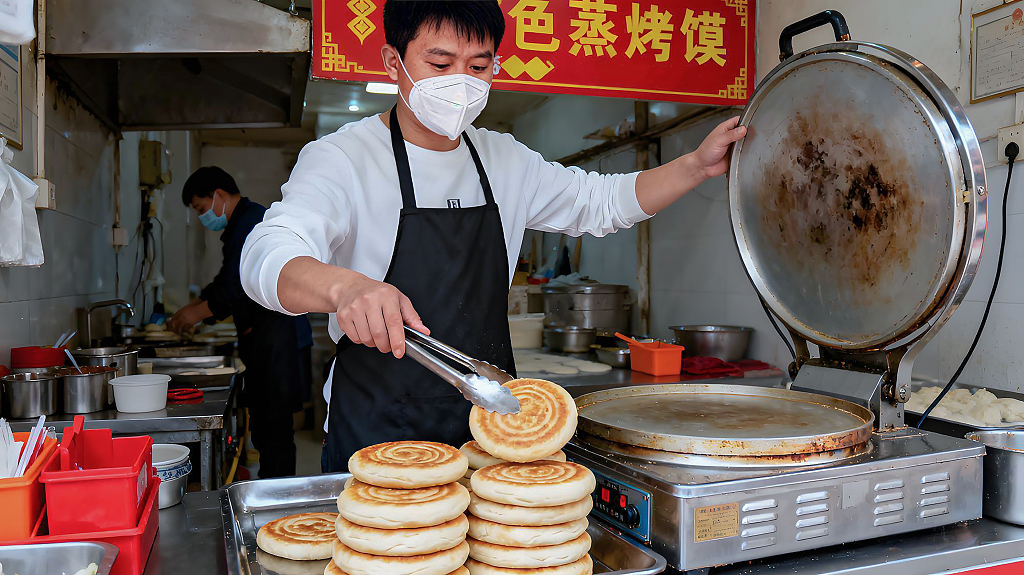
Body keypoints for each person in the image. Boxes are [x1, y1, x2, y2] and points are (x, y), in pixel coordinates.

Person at [239, 0, 745, 472]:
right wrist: (344, 287)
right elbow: (267, 256)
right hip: (377, 428)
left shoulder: (504, 159)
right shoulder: (344, 158)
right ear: (393, 63)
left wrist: (694, 167)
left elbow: (602, 202)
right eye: (440, 64)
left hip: (492, 424)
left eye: (478, 66)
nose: (460, 83)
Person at [171, 166, 313, 478]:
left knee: (274, 429)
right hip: (268, 339)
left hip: (279, 339)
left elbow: (236, 289)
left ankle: (277, 495)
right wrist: (196, 305)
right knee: (266, 428)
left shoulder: (251, 223)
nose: (202, 216)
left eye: (201, 208)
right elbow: (227, 279)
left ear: (219, 195)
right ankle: (271, 488)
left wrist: (197, 313)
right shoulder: (241, 223)